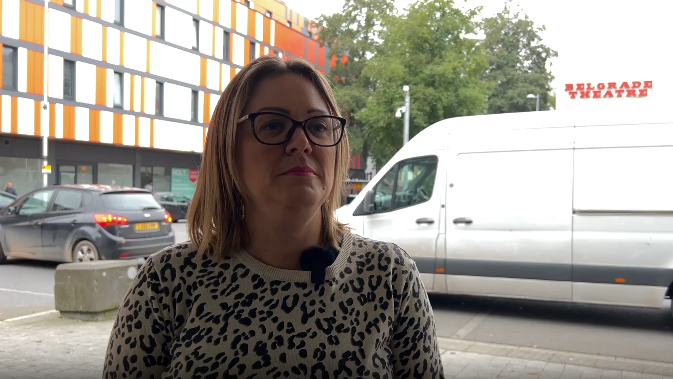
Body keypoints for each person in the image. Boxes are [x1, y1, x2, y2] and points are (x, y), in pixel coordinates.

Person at [103, 56, 444, 378]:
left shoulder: (389, 275)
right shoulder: (168, 281)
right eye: (273, 125)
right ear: (228, 147)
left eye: (319, 126)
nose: (301, 142)